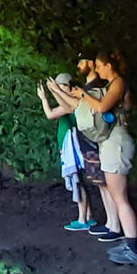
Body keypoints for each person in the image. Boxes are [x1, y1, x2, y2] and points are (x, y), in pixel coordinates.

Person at [52, 52, 137, 266]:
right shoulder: (112, 84)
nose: (98, 70)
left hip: (117, 143)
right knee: (117, 195)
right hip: (113, 143)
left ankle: (133, 249)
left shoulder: (118, 83)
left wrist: (83, 95)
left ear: (109, 66)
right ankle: (130, 243)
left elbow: (102, 107)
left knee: (120, 199)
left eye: (100, 66)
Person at [40, 63, 96, 232]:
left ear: (70, 87)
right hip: (71, 145)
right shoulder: (68, 101)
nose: (59, 88)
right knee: (79, 181)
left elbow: (53, 114)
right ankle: (89, 217)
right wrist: (47, 96)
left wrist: (49, 96)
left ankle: (82, 219)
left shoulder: (74, 101)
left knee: (77, 181)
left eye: (62, 86)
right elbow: (52, 113)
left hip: (76, 147)